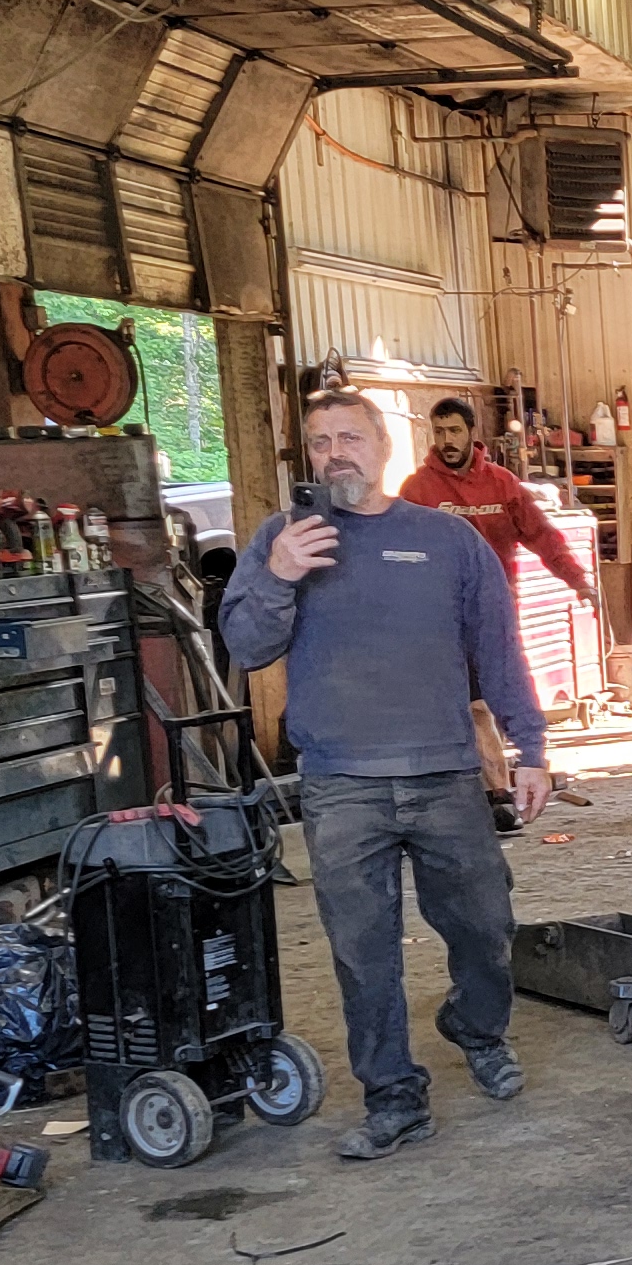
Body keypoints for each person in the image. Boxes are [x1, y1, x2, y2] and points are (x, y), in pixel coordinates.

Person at [221, 392, 552, 1160]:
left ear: (384, 447)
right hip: (341, 782)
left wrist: (530, 747)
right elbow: (244, 646)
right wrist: (276, 576)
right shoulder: (284, 540)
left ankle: (476, 1026)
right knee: (363, 951)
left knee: (485, 926)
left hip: (443, 775)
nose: (335, 452)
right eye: (319, 441)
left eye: (350, 437)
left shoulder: (446, 541)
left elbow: (498, 650)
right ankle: (393, 1096)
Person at [398, 396, 586, 828]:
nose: (446, 441)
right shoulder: (418, 491)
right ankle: (494, 794)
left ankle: (499, 789)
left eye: (454, 431)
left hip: (495, 614)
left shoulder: (502, 485)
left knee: (498, 702)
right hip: (439, 621)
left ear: (471, 433)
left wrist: (577, 579)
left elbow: (542, 536)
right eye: (439, 432)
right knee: (471, 707)